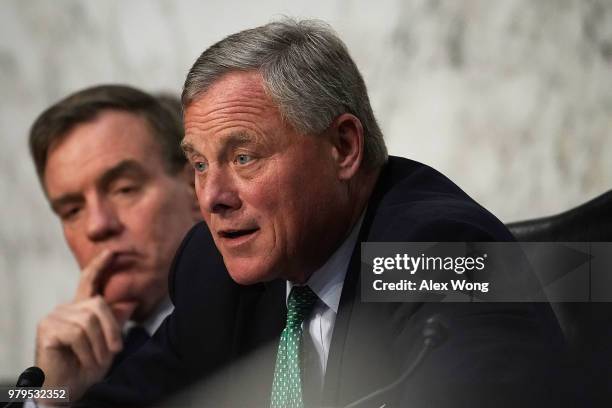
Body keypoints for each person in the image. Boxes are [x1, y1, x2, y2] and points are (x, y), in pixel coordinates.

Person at [77, 20, 569, 407]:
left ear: (343, 147)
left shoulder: (438, 252)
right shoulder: (214, 270)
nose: (211, 197)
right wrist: (44, 393)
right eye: (200, 165)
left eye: (243, 157)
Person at [27, 85, 200, 402]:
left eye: (123, 189)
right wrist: (48, 398)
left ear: (195, 187)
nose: (97, 226)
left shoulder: (257, 322)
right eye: (73, 210)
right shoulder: (81, 361)